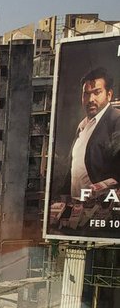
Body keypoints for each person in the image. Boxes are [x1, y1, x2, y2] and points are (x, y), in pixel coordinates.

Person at [49, 67, 120, 232]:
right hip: (77, 213)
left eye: (96, 92)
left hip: (103, 215)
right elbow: (73, 168)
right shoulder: (82, 126)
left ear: (109, 94)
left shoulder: (116, 120)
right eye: (86, 94)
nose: (90, 99)